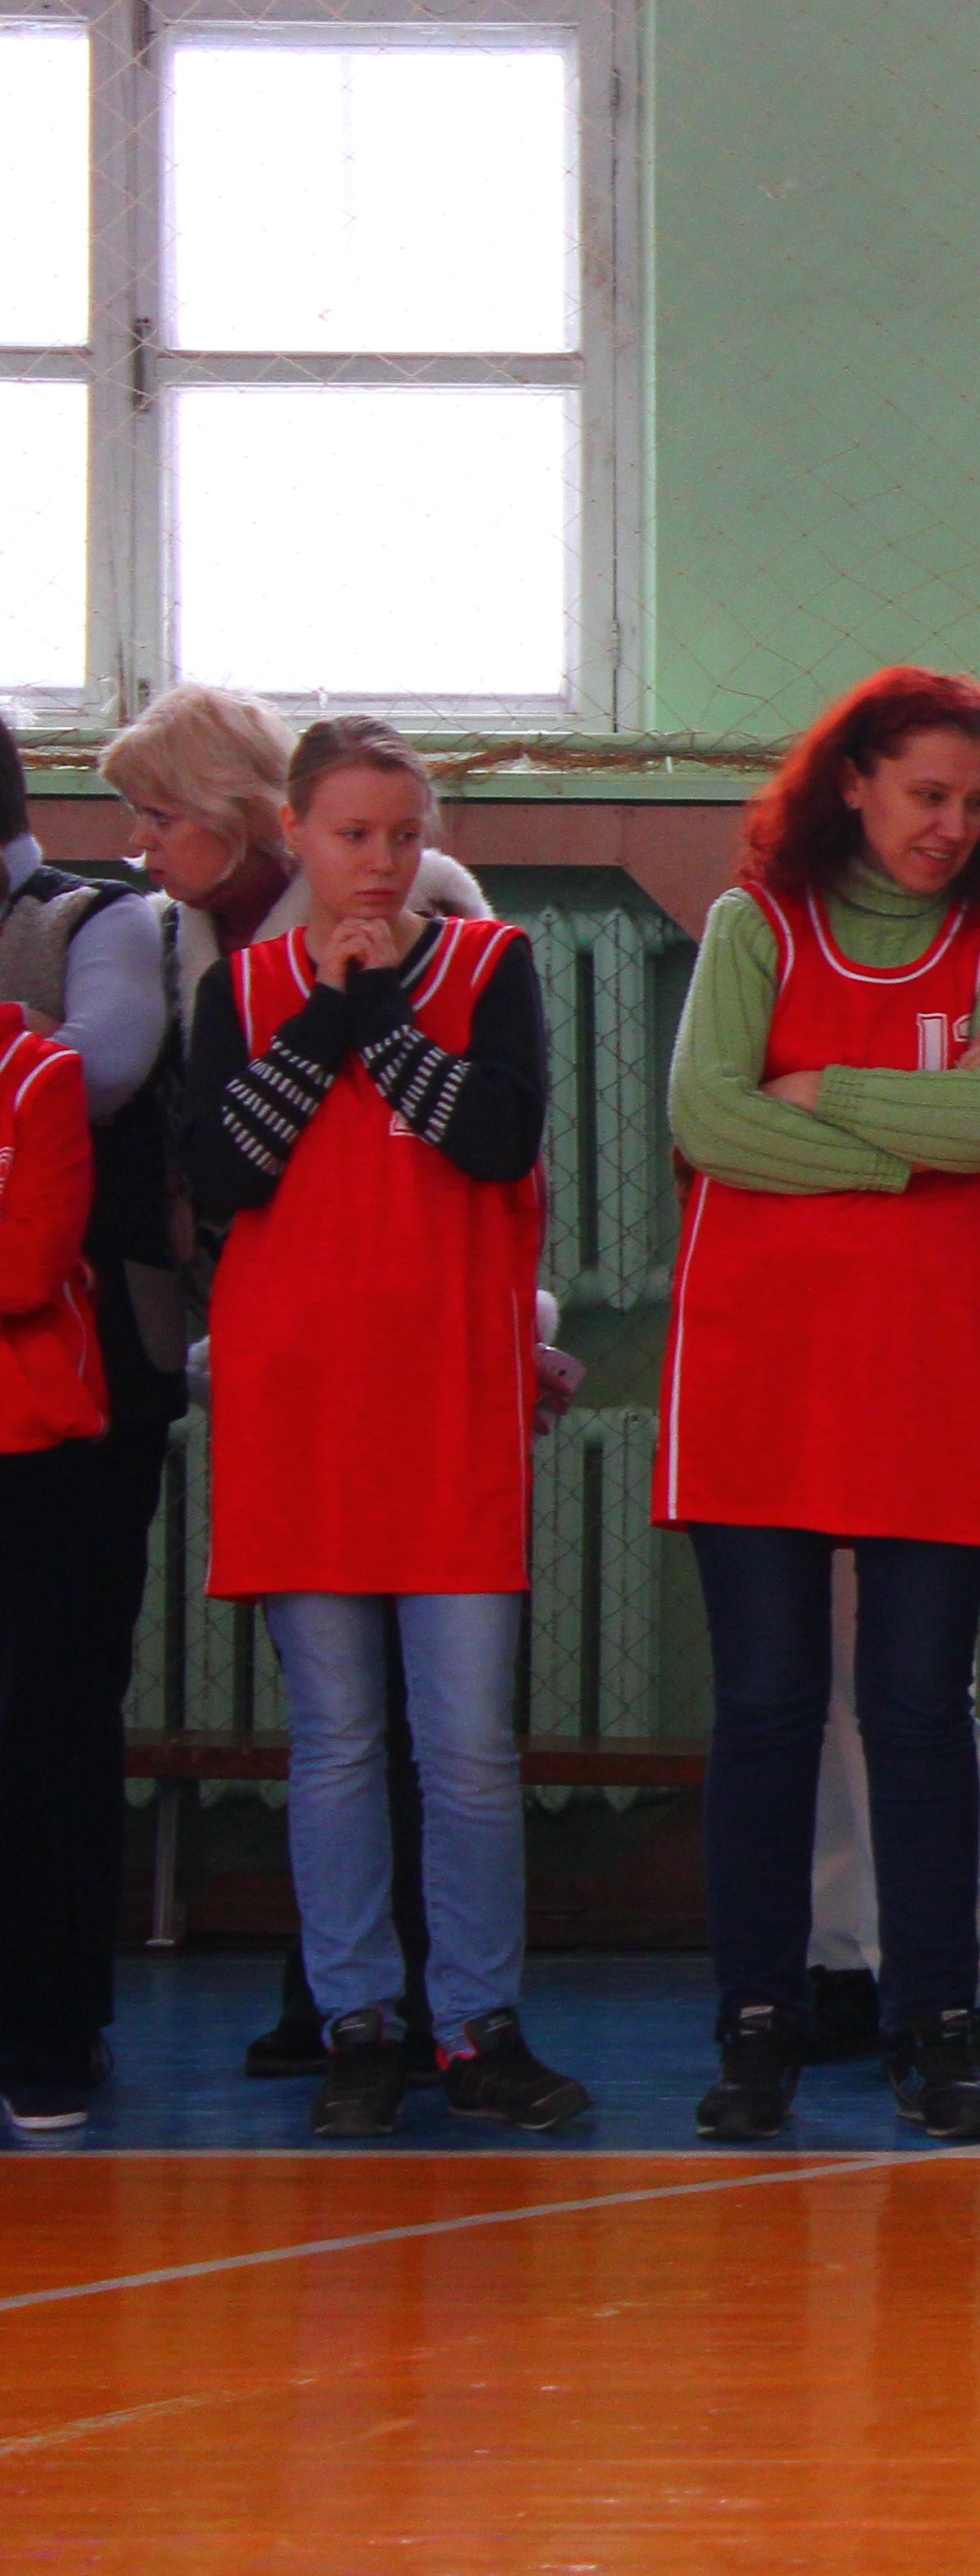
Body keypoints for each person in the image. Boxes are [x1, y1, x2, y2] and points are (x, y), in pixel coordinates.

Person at [661, 667, 980, 2144]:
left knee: (915, 1707)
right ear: (853, 782)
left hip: (935, 1372)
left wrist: (815, 1091)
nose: (949, 825)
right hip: (759, 1369)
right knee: (767, 1705)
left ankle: (935, 2021)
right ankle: (757, 2021)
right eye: (924, 795)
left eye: (974, 802)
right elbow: (705, 1118)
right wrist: (913, 1155)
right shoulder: (752, 924)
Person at [181, 717, 587, 2141]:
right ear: (294, 833)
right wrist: (326, 1019)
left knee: (467, 1750)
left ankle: (476, 2026)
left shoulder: (492, 965)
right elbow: (223, 1175)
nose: (380, 861)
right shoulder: (240, 989)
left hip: (448, 1411)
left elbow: (495, 1138)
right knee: (338, 1743)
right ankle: (356, 2022)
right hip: (302, 1414)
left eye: (405, 836)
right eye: (352, 834)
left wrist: (385, 1022)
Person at [106, 685, 483, 2079]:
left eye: (158, 816)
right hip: (274, 1335)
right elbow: (217, 1159)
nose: (139, 844)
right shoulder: (186, 940)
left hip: (414, 1340)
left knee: (429, 1713)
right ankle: (339, 1989)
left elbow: (487, 1148)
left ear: (234, 818)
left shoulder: (429, 905)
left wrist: (519, 1326)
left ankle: (438, 1995)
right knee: (328, 1704)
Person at [0, 721, 176, 2129]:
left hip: (75, 1384)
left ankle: (51, 2025)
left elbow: (95, 1070)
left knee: (54, 1704)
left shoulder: (94, 920)